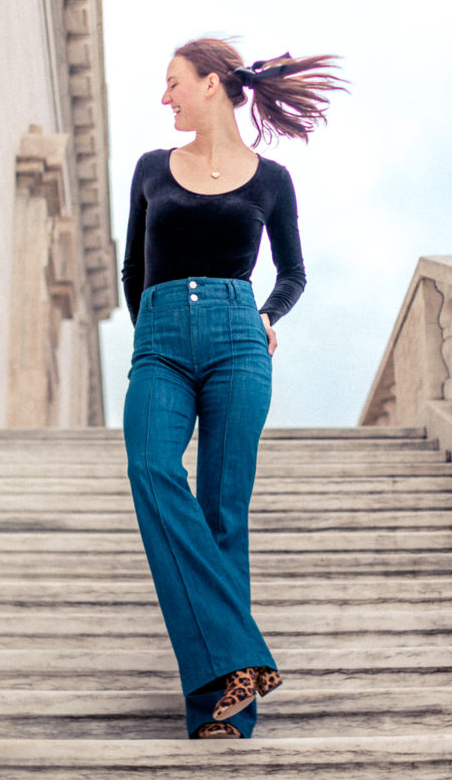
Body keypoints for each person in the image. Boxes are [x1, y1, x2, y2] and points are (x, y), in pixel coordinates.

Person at [121, 37, 344, 739]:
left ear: (211, 84)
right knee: (152, 469)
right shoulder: (152, 168)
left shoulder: (270, 180)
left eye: (173, 82)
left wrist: (268, 317)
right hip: (159, 339)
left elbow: (293, 274)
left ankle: (223, 710)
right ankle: (243, 656)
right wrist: (149, 333)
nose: (165, 98)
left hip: (238, 340)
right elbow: (133, 267)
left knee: (223, 511)